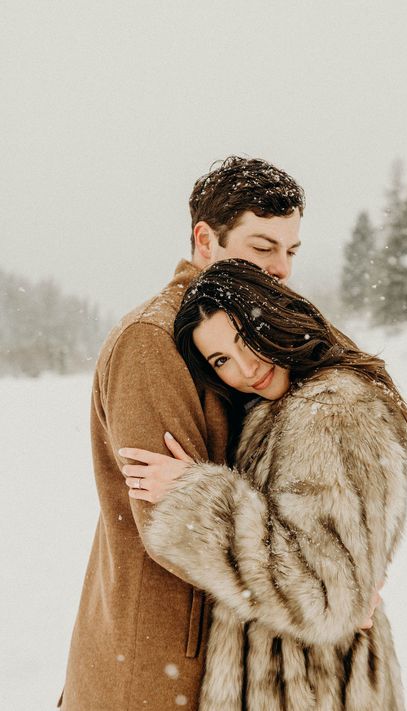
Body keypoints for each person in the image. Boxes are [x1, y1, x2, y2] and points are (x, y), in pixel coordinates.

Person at [58, 156, 308, 711]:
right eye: (263, 247)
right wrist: (315, 591)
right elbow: (172, 525)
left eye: (290, 251)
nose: (282, 269)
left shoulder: (255, 328)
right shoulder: (154, 340)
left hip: (233, 645)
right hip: (161, 658)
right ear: (204, 240)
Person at [119, 259, 407, 711]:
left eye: (245, 338)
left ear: (273, 316)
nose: (244, 367)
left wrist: (198, 498)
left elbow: (325, 596)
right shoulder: (280, 406)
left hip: (316, 689)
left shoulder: (334, 410)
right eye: (221, 359)